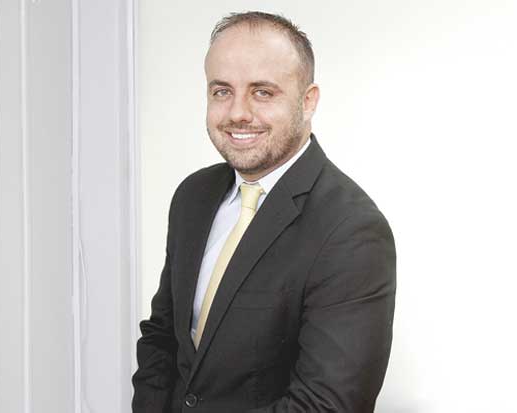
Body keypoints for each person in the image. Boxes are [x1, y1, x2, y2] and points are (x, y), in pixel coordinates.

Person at [132, 11, 396, 413]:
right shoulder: (193, 197)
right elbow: (163, 337)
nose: (237, 112)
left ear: (308, 101)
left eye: (262, 92)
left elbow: (326, 405)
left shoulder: (351, 230)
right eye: (222, 91)